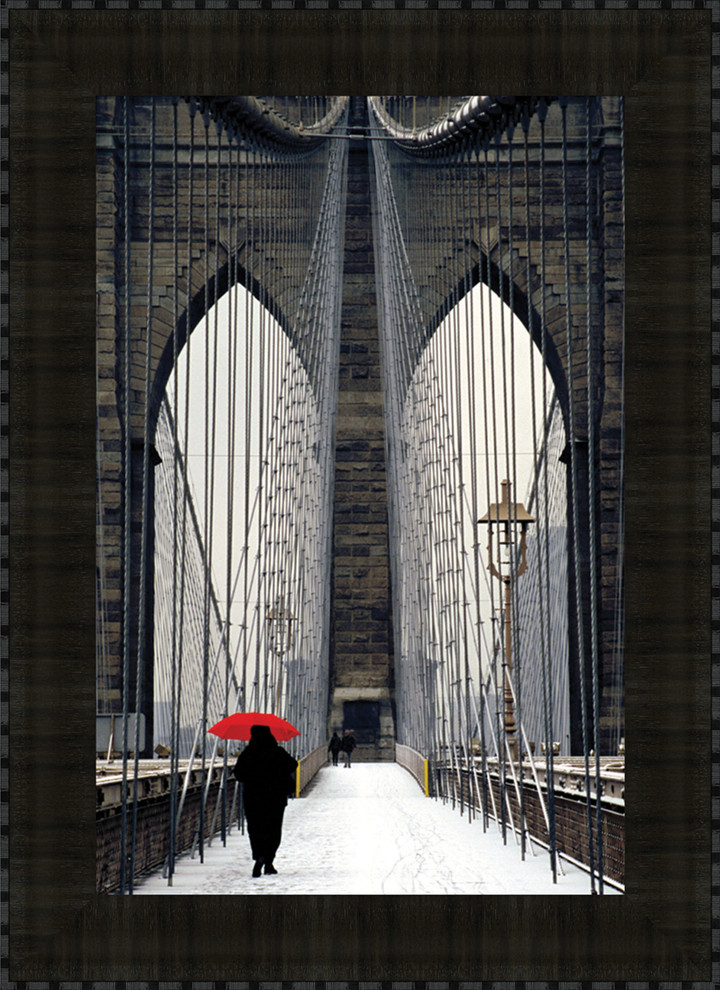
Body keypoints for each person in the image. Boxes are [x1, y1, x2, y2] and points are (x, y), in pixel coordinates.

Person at [232, 723, 298, 877]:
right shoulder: (277, 751)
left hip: (253, 798)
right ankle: (268, 862)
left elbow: (238, 774)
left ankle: (259, 857)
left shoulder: (248, 753)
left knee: (255, 829)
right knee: (273, 829)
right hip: (275, 798)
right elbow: (293, 764)